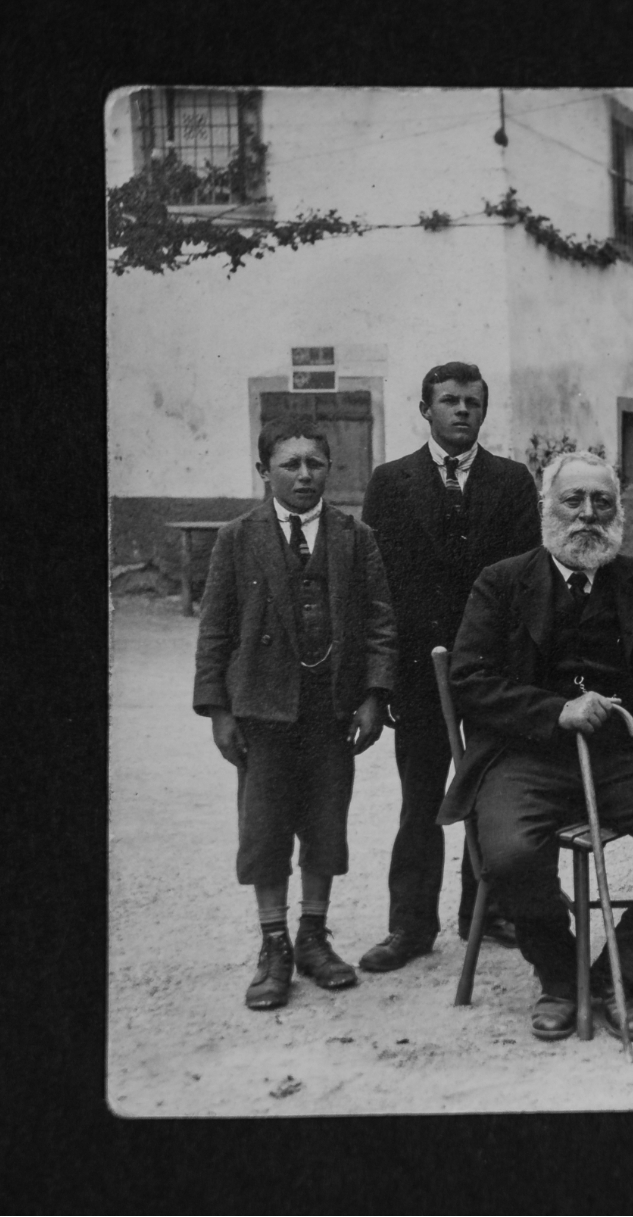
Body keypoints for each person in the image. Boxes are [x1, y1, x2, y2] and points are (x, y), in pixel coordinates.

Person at [441, 452, 633, 1043]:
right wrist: (556, 711)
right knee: (509, 854)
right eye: (572, 500)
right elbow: (469, 681)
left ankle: (616, 977)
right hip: (525, 756)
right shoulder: (501, 582)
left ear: (618, 512)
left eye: (602, 502)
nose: (587, 515)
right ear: (546, 508)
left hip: (621, 756)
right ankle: (559, 977)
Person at [193, 417, 398, 1011]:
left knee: (326, 821)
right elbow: (215, 630)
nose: (305, 475)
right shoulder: (238, 537)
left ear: (329, 470)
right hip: (261, 708)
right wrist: (218, 711)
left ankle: (313, 936)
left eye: (315, 464)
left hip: (330, 709)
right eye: (290, 464)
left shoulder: (355, 536)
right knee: (264, 827)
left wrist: (374, 694)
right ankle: (274, 944)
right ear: (264, 472)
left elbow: (382, 621)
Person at [356, 361, 541, 975]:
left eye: (473, 402)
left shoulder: (512, 482)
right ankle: (410, 926)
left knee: (489, 789)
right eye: (450, 400)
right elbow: (377, 588)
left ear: (484, 412)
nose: (462, 411)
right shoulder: (390, 481)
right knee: (421, 799)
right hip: (417, 672)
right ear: (426, 408)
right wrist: (379, 680)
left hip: (491, 671)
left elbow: (524, 584)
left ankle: (485, 912)